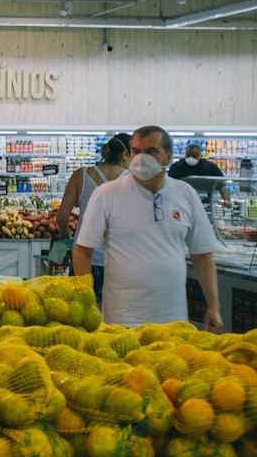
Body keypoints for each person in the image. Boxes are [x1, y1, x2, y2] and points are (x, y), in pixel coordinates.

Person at [74, 125, 222, 332]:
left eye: (151, 151)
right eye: (136, 151)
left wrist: (214, 306)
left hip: (173, 320)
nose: (141, 158)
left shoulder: (185, 194)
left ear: (168, 157)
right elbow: (82, 251)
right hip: (121, 322)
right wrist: (89, 302)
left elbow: (202, 255)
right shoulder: (107, 194)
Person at [54, 132, 130, 302]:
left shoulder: (80, 175)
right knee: (114, 318)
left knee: (82, 313)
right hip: (118, 259)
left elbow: (62, 216)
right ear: (125, 155)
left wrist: (64, 235)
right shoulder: (130, 180)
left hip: (83, 255)